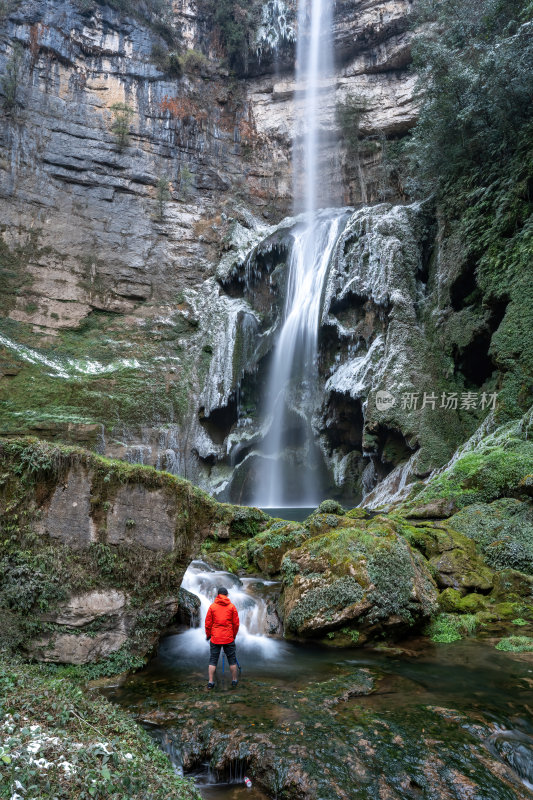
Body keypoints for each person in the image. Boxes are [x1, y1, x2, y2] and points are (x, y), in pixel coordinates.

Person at [205, 586, 240, 689]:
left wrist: (208, 635)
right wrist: (233, 635)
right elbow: (236, 624)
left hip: (215, 638)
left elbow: (208, 624)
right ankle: (234, 680)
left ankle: (211, 682)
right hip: (228, 637)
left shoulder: (212, 607)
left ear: (218, 595)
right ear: (227, 595)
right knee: (232, 659)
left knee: (213, 659)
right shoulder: (232, 607)